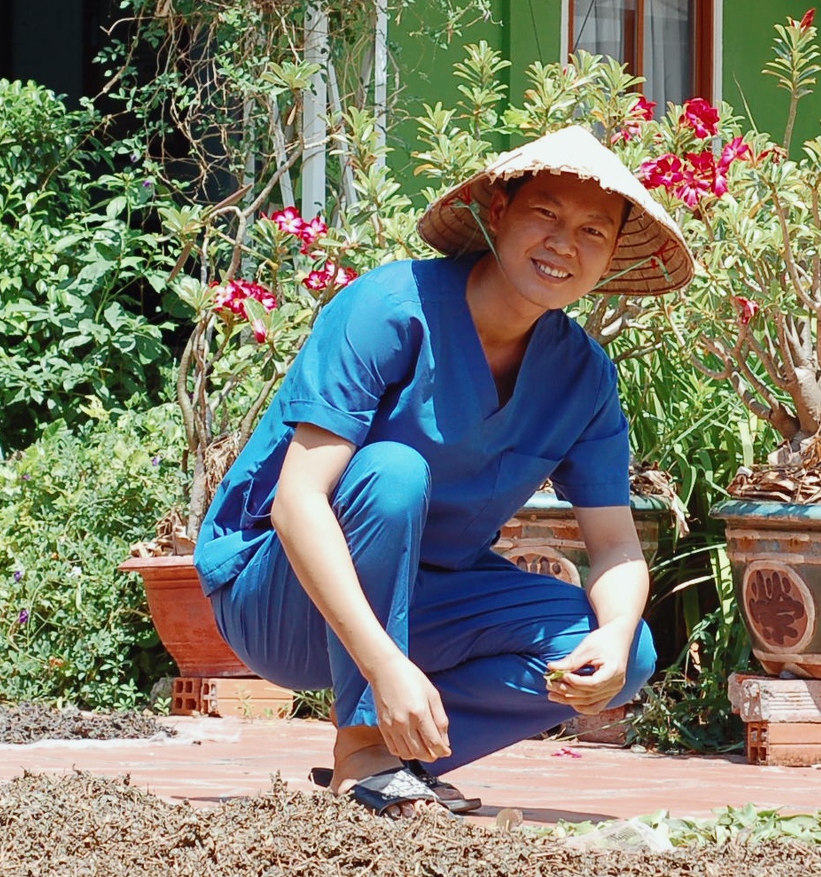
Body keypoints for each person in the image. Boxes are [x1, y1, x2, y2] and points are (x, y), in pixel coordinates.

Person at [194, 127, 691, 817]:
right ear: (498, 211)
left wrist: (610, 637)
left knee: (626, 649)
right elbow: (297, 501)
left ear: (609, 256)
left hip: (427, 600)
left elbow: (616, 549)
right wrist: (384, 665)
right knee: (392, 472)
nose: (563, 244)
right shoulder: (390, 309)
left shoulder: (583, 376)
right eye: (545, 214)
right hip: (280, 598)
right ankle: (368, 747)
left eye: (592, 231)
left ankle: (398, 757)